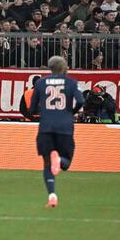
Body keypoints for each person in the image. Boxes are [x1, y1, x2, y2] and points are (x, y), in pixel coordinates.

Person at [28, 55, 85, 209]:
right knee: (65, 162)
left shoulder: (40, 83)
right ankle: (59, 161)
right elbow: (80, 101)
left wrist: (44, 113)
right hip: (65, 127)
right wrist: (70, 112)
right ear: (64, 67)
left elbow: (31, 109)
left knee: (47, 163)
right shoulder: (72, 83)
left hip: (46, 127)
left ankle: (52, 195)